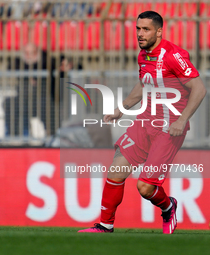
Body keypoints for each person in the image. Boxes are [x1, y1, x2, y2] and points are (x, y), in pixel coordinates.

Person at [78, 11, 206, 234]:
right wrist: (121, 109)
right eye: (138, 29)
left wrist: (183, 119)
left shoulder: (172, 55)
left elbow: (199, 89)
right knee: (115, 171)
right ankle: (105, 226)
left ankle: (168, 207)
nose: (140, 33)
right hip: (144, 122)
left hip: (169, 128)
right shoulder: (143, 55)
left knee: (145, 187)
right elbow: (143, 83)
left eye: (146, 29)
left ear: (159, 31)